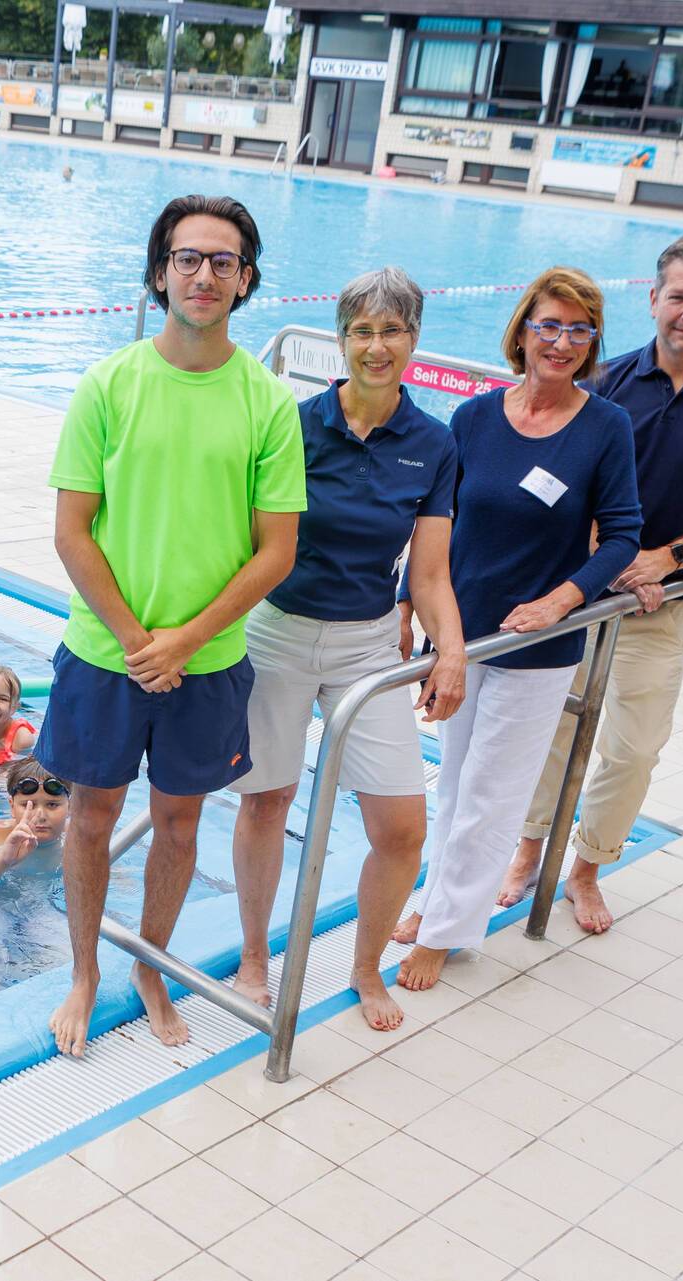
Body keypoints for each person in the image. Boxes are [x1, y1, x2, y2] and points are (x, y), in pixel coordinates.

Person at [36, 194, 306, 1055]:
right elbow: (72, 530)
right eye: (187, 258)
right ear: (160, 273)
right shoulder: (108, 385)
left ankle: (148, 965)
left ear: (245, 280)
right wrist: (133, 639)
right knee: (90, 818)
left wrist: (184, 641)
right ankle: (85, 972)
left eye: (223, 261)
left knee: (181, 824)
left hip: (208, 661)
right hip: (104, 652)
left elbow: (276, 551)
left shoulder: (268, 402)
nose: (204, 275)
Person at [499, 236, 683, 934]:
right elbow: (568, 479)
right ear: (654, 299)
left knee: (633, 749)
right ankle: (528, 849)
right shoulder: (607, 381)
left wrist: (664, 559)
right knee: (550, 731)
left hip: (663, 601)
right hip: (579, 592)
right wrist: (609, 557)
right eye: (679, 295)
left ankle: (587, 868)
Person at [227, 266, 467, 1033]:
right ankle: (255, 956)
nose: (376, 346)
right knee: (267, 799)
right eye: (362, 331)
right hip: (278, 631)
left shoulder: (434, 443)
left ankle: (365, 967)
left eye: (391, 330)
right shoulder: (292, 425)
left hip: (367, 646)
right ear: (341, 339)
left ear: (414, 338)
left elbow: (429, 574)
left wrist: (451, 649)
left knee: (401, 828)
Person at [392, 268, 642, 991]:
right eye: (549, 325)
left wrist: (560, 602)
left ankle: (445, 933)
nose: (561, 342)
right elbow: (433, 521)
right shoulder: (474, 418)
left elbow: (623, 535)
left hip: (537, 647)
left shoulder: (605, 427)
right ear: (523, 332)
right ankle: (438, 898)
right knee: (454, 783)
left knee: (492, 794)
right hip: (460, 636)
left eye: (579, 329)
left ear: (592, 341)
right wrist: (408, 603)